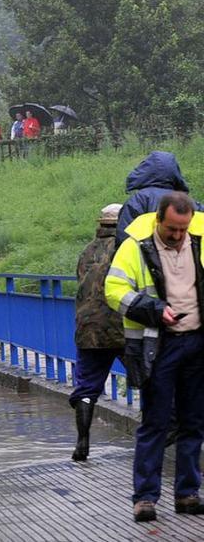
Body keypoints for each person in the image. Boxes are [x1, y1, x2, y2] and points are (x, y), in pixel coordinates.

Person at [105, 192, 204, 522]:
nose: (178, 237)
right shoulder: (135, 246)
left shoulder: (199, 240)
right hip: (157, 346)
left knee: (193, 422)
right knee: (156, 422)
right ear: (158, 220)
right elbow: (114, 291)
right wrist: (154, 309)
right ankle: (145, 498)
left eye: (183, 230)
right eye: (172, 229)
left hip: (197, 343)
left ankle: (188, 494)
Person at [71, 203, 125, 462]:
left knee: (86, 389)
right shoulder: (127, 248)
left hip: (88, 329)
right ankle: (165, 430)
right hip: (123, 327)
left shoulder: (86, 251)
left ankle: (82, 442)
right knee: (151, 377)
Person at [118, 151, 194, 243]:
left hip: (145, 255)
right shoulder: (186, 201)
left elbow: (124, 237)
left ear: (145, 171)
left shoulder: (139, 200)